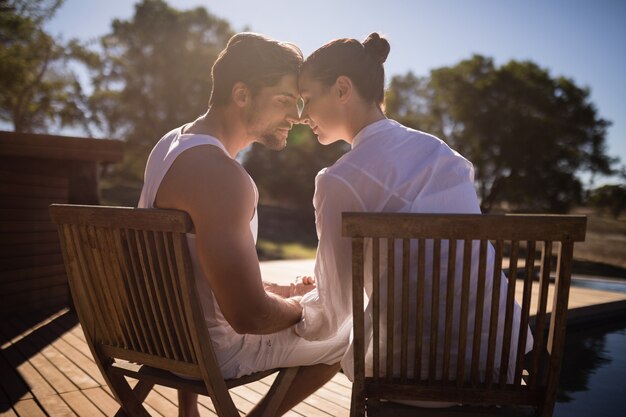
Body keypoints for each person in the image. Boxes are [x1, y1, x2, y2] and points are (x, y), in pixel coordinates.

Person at [296, 33, 533, 405]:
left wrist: (291, 306)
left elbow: (334, 312)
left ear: (342, 88)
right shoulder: (441, 153)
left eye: (307, 98)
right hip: (500, 359)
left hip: (416, 374)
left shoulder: (338, 180)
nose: (301, 115)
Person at [138, 32, 350, 417]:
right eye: (285, 99)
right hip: (211, 351)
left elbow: (192, 272)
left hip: (157, 339)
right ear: (242, 95)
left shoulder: (171, 145)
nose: (298, 116)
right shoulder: (222, 176)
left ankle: (190, 412)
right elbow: (249, 316)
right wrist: (305, 308)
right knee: (344, 333)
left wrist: (281, 290)